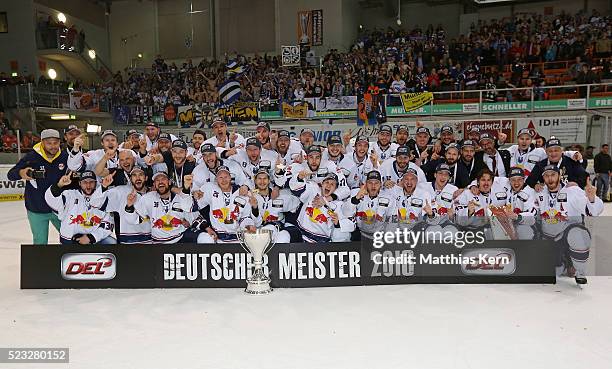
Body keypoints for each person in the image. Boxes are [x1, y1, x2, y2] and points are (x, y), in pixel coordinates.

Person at [535, 165, 603, 284]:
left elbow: (593, 211)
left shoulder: (572, 191)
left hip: (567, 236)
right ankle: (563, 261)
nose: (550, 179)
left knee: (578, 233)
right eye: (546, 176)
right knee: (555, 271)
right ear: (543, 178)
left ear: (559, 176)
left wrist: (591, 199)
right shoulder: (539, 193)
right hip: (550, 240)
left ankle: (579, 271)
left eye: (553, 175)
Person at [8, 129, 68, 244]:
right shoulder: (32, 157)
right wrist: (22, 173)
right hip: (36, 209)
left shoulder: (64, 156)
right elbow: (11, 174)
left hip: (60, 209)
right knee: (40, 243)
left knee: (70, 239)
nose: (53, 146)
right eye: (49, 143)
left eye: (55, 143)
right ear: (42, 142)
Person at [124, 170, 198, 244]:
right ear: (154, 185)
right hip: (159, 243)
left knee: (203, 237)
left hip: (180, 238)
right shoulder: (148, 198)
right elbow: (134, 220)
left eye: (163, 179)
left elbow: (193, 215)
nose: (160, 182)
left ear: (169, 182)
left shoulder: (180, 197)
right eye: (157, 180)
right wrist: (129, 206)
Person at [44, 170, 116, 245]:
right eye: (85, 182)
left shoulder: (103, 197)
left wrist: (91, 238)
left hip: (94, 241)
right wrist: (59, 185)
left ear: (96, 183)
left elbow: (108, 224)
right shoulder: (70, 195)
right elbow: (51, 200)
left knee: (112, 242)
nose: (88, 185)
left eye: (91, 182)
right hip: (70, 240)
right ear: (79, 183)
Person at [194, 166, 256, 243]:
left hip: (237, 238)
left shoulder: (241, 192)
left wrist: (248, 226)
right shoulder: (210, 190)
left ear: (230, 177)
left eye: (226, 177)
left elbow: (245, 217)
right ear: (216, 179)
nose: (224, 180)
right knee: (203, 238)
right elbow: (195, 207)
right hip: (217, 237)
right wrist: (206, 227)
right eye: (220, 177)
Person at [91, 167, 152, 244]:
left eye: (141, 175)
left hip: (150, 243)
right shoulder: (120, 192)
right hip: (127, 243)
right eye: (134, 175)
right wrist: (104, 186)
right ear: (130, 179)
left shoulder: (153, 194)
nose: (138, 178)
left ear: (146, 178)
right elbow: (95, 203)